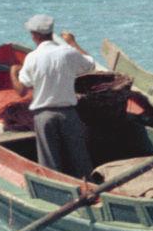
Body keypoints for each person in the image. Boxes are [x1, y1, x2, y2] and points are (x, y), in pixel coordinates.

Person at [9, 13, 96, 178]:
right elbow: (90, 64)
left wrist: (13, 72)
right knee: (80, 162)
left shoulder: (32, 58)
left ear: (34, 36)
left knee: (50, 166)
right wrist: (72, 42)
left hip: (44, 116)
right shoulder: (67, 52)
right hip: (69, 114)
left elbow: (21, 90)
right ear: (51, 32)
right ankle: (88, 189)